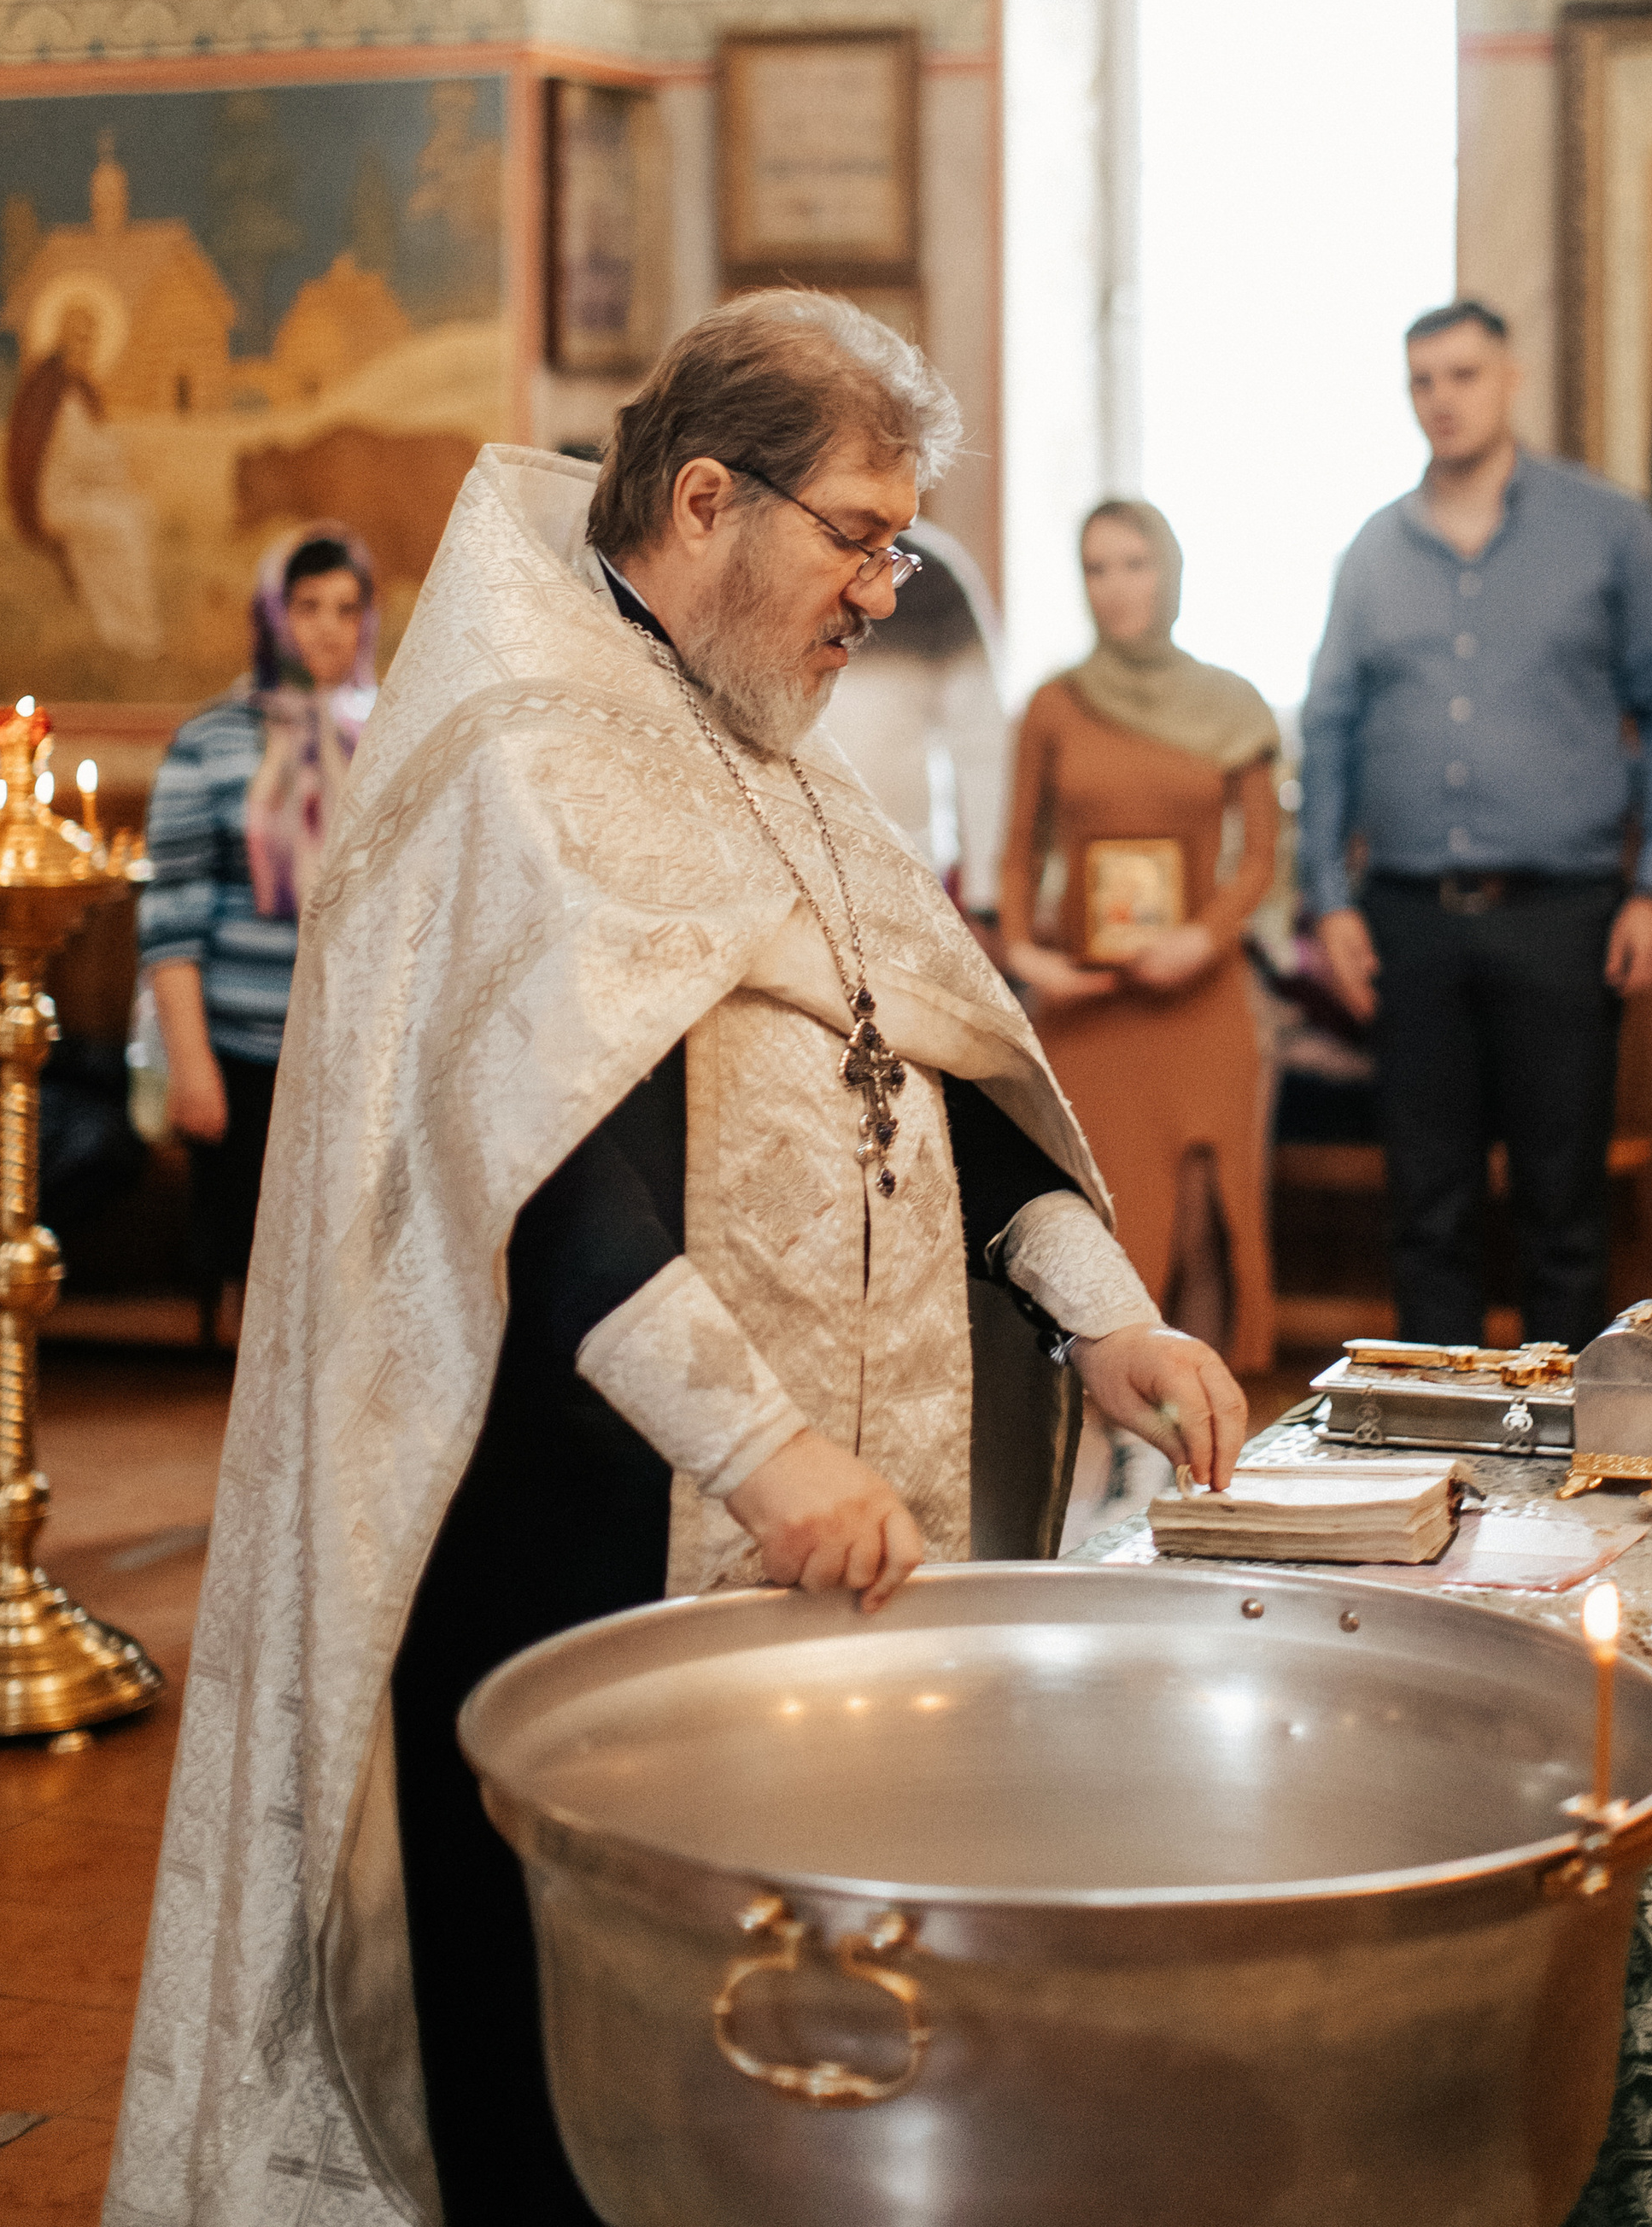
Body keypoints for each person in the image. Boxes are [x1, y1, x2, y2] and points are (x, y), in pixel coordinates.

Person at [107, 292, 1241, 2227]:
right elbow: (531, 1172)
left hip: (828, 1551)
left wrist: (1103, 1310)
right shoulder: (516, 757)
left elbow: (942, 1083)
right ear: (705, 497)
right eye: (860, 533)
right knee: (576, 2058)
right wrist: (764, 1452)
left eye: (901, 539)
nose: (887, 584)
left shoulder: (777, 752)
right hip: (579, 1536)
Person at [1302, 301, 1652, 1354]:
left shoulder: (1605, 528)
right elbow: (1331, 726)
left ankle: (1565, 1471)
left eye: (1462, 375)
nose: (1441, 398)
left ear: (1509, 378)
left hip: (1565, 915)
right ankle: (1436, 1455)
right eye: (1422, 381)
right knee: (1427, 1210)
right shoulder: (1373, 550)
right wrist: (1328, 902)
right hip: (1407, 919)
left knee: (1562, 1208)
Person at [1000, 501, 1280, 1375]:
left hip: (1198, 1000)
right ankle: (1098, 1464)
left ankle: (1196, 1441)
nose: (1115, 587)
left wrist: (1202, 939)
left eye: (1134, 563)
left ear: (1170, 572)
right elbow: (1017, 854)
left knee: (1197, 1228)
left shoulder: (1233, 705)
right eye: (1096, 568)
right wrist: (1026, 953)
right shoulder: (1054, 705)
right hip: (1089, 1006)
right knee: (1095, 1223)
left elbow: (1261, 861)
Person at [138, 526, 378, 1343]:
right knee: (252, 1277)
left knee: (345, 1272)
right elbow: (169, 915)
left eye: (348, 609)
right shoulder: (210, 741)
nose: (328, 628)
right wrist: (190, 1060)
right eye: (306, 606)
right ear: (272, 614)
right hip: (239, 1050)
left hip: (352, 1048)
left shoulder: (392, 737)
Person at [826, 515, 1008, 917]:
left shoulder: (933, 574)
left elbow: (981, 747)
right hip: (784, 862)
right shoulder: (779, 557)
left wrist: (984, 896)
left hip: (904, 864)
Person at [3, 295, 162, 656]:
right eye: (77, 338)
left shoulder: (80, 390)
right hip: (52, 501)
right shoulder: (49, 389)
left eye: (90, 338)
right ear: (61, 339)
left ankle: (127, 633)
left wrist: (120, 467)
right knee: (121, 526)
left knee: (138, 514)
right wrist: (122, 460)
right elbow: (80, 455)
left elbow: (94, 454)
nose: (85, 346)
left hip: (81, 495)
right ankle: (136, 639)